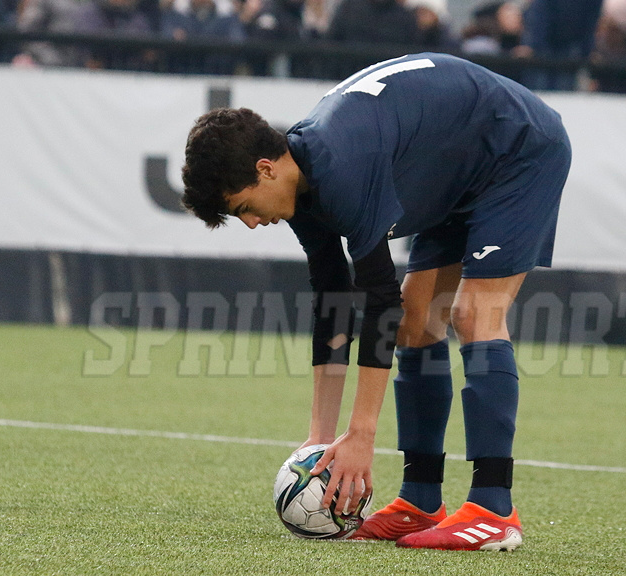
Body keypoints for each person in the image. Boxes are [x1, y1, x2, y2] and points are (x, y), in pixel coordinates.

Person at [181, 53, 571, 551]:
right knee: (415, 324)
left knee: (475, 313)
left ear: (265, 169)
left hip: (517, 149)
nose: (254, 223)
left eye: (243, 209)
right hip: (457, 166)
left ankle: (495, 508)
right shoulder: (301, 179)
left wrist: (361, 434)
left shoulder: (341, 167)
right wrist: (320, 436)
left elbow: (378, 300)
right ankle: (421, 500)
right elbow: (333, 300)